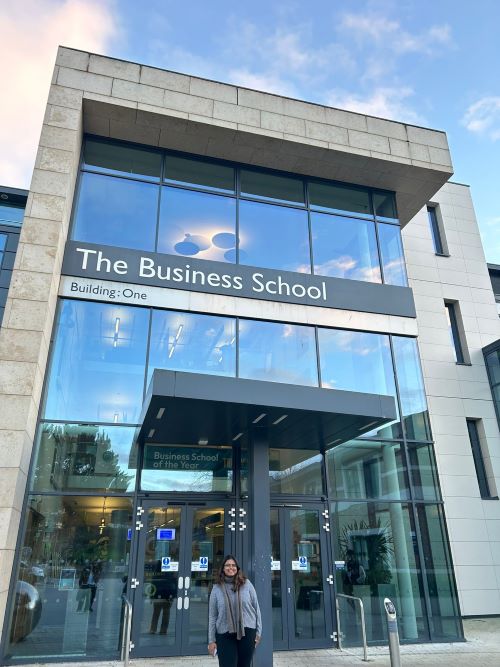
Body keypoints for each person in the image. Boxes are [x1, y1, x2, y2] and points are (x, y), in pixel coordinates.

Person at [208, 555, 262, 667]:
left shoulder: (247, 584)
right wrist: (211, 640)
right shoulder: (216, 588)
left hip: (247, 632)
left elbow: (256, 608)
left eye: (233, 565)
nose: (230, 568)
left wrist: (258, 632)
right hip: (224, 633)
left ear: (237, 568)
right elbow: (212, 617)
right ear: (223, 568)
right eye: (227, 565)